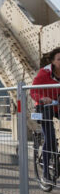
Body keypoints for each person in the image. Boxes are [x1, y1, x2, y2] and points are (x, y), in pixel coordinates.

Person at [31, 47, 60, 182]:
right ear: (53, 61)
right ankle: (46, 175)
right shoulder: (44, 73)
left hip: (57, 107)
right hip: (45, 107)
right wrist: (42, 98)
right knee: (50, 138)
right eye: (59, 59)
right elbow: (33, 91)